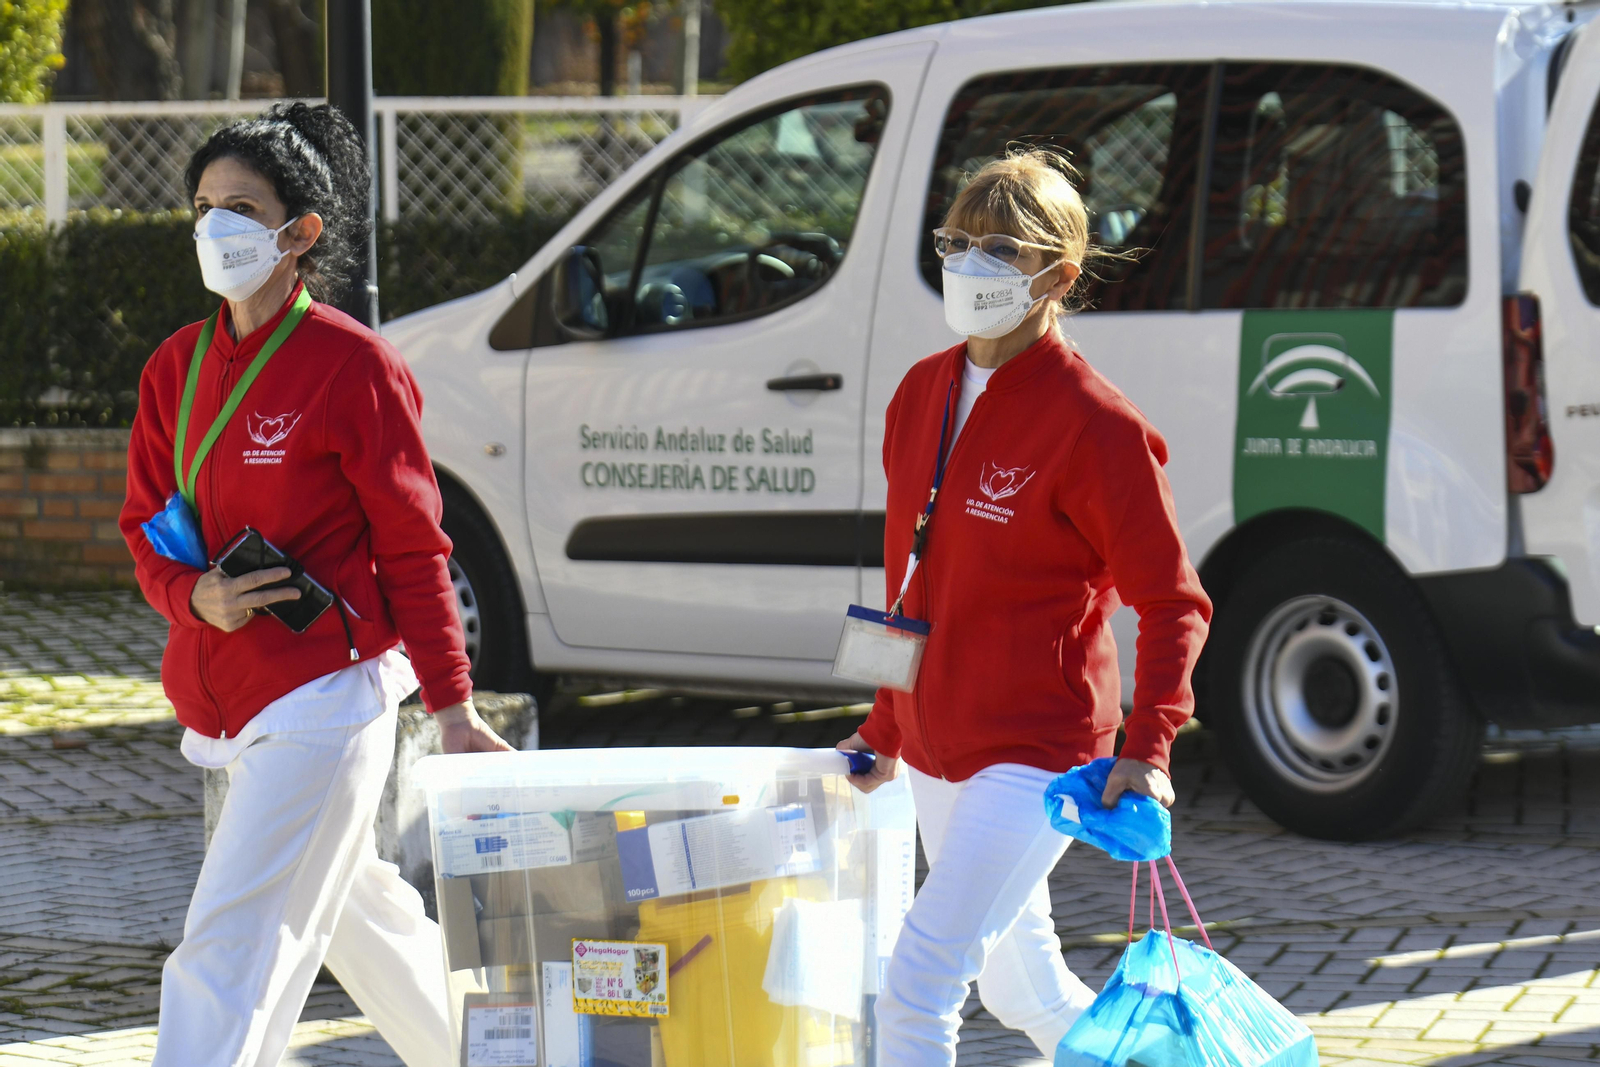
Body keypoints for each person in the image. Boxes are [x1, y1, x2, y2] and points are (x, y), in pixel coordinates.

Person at [117, 102, 512, 1067]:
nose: (216, 227)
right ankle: (497, 1056)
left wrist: (454, 705)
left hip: (324, 700)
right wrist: (189, 597)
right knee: (354, 916)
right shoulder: (175, 366)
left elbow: (417, 550)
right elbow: (143, 528)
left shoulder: (356, 365)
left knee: (230, 946)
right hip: (224, 696)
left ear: (301, 233)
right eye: (204, 205)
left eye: (241, 208)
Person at [838, 148, 1212, 1064]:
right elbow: (911, 582)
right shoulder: (920, 391)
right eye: (958, 241)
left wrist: (1150, 746)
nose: (972, 264)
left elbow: (1173, 601)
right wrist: (886, 727)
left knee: (918, 983)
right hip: (934, 744)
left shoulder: (1098, 424)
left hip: (1035, 755)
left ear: (1060, 275)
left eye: (1001, 247)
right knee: (1019, 985)